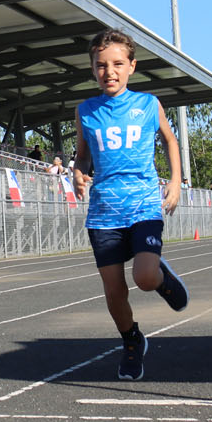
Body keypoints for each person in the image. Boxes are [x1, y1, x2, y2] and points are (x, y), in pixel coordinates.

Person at [72, 28, 188, 382]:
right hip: (104, 213)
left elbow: (170, 140)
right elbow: (81, 157)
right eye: (102, 65)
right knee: (114, 291)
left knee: (144, 278)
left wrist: (174, 181)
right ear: (93, 69)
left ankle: (161, 277)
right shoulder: (86, 112)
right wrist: (77, 174)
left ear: (132, 66)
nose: (110, 71)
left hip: (143, 206)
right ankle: (132, 340)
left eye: (118, 64)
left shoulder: (148, 105)